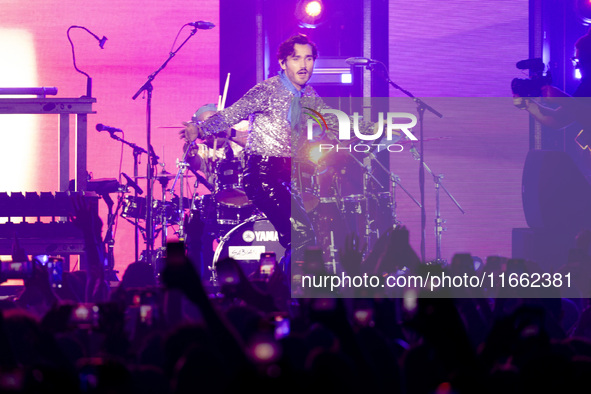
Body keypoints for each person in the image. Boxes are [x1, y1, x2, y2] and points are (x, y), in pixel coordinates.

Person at [180, 34, 326, 268]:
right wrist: (200, 128)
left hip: (286, 176)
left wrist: (383, 131)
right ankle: (290, 295)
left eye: (309, 58)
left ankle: (285, 290)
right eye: (296, 58)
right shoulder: (268, 90)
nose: (303, 65)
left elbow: (334, 122)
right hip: (262, 175)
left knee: (302, 238)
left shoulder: (308, 95)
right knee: (301, 236)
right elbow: (231, 114)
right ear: (283, 63)